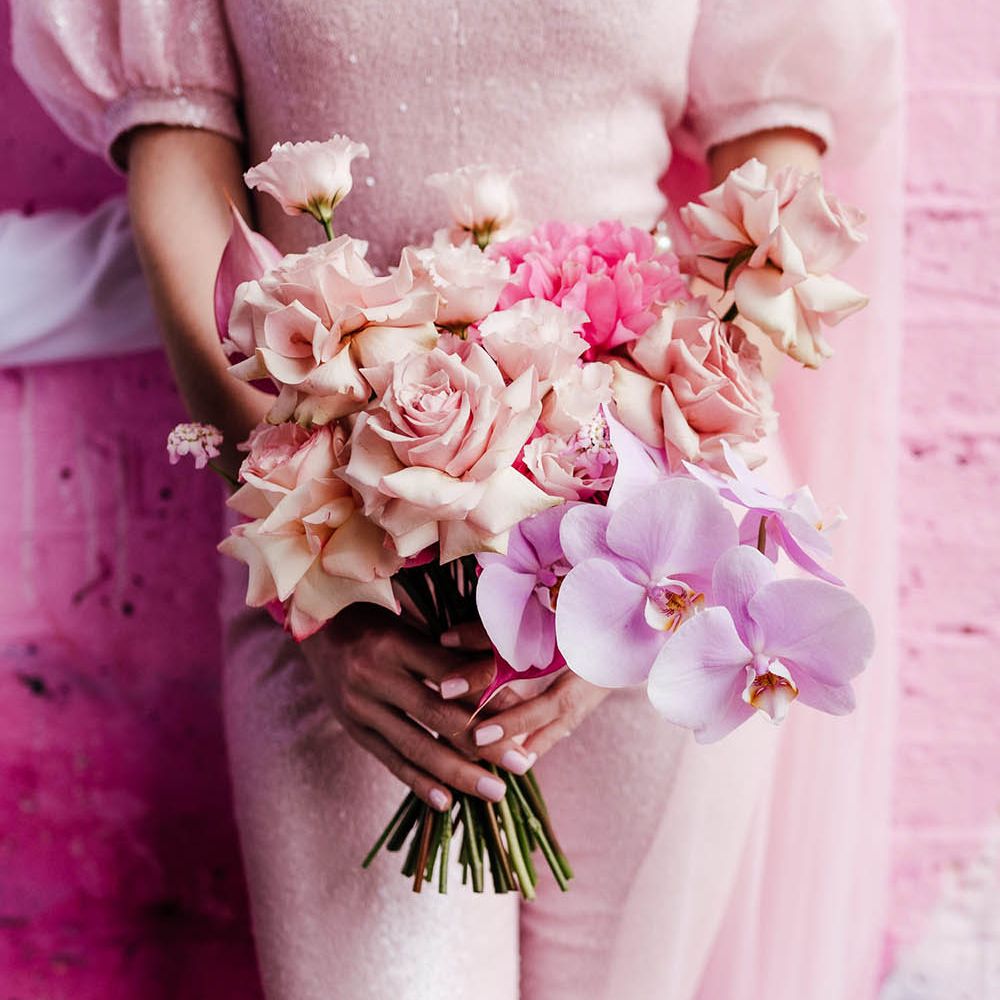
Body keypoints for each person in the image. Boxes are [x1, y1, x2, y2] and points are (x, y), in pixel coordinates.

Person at [11, 2, 901, 998]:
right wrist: (317, 573)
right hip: (345, 566)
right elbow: (181, 182)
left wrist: (657, 536)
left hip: (654, 550)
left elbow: (774, 182)